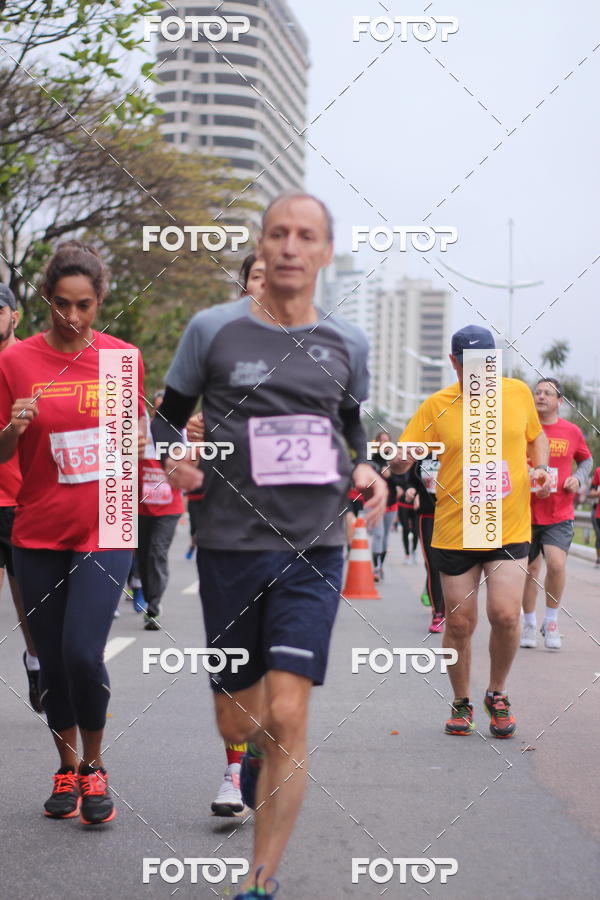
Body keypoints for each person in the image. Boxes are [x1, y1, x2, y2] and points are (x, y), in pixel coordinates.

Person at [153, 192, 386, 897]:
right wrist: (174, 460)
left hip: (313, 548)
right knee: (240, 715)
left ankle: (260, 880)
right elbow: (165, 419)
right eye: (278, 233)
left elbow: (350, 428)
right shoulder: (212, 331)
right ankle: (247, 754)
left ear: (323, 253)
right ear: (262, 245)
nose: (289, 246)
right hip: (228, 543)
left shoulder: (349, 343)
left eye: (304, 235)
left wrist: (368, 465)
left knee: (288, 711)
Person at [0, 242, 145, 824]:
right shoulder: (16, 363)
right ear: (45, 300)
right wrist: (13, 429)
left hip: (105, 522)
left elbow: (132, 440)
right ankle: (65, 767)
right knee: (54, 663)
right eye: (61, 305)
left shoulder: (119, 361)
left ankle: (95, 765)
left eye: (84, 305)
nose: (72, 318)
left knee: (84, 653)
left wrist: (139, 444)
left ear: (100, 301)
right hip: (36, 530)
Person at [393, 325, 550, 738]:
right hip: (454, 530)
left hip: (507, 525)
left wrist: (542, 470)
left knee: (504, 613)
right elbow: (401, 458)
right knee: (460, 623)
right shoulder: (436, 406)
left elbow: (539, 438)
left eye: (489, 366)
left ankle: (497, 693)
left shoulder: (517, 394)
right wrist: (399, 460)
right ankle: (461, 702)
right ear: (454, 363)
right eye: (472, 366)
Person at [520, 378, 592, 650]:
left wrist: (579, 478)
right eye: (537, 392)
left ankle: (550, 621)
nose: (540, 396)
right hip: (524, 512)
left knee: (557, 564)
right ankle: (528, 621)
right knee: (530, 569)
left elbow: (586, 459)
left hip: (559, 511)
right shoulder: (523, 429)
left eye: (547, 393)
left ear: (559, 401)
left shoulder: (571, 431)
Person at [0, 284, 42, 711]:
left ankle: (34, 659)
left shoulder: (30, 362)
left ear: (15, 316)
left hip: (18, 498)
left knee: (24, 602)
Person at [137, 390, 184, 630]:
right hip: (142, 509)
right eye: (158, 408)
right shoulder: (140, 435)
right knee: (143, 558)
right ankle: (148, 596)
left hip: (169, 508)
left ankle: (154, 605)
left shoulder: (181, 434)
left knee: (157, 552)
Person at [406, 455, 445, 632]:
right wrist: (412, 491)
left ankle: (456, 608)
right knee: (433, 564)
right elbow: (412, 479)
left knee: (455, 563)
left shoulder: (457, 446)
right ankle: (438, 613)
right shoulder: (423, 455)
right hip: (428, 516)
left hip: (454, 516)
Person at [368, 430, 401, 581]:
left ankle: (380, 567)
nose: (384, 443)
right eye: (381, 440)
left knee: (386, 536)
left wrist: (391, 476)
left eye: (386, 440)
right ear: (376, 442)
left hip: (391, 502)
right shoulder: (372, 458)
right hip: (377, 502)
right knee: (378, 534)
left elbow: (402, 481)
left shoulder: (394, 460)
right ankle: (376, 568)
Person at [396, 471, 419, 564]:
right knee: (405, 529)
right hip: (403, 503)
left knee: (415, 530)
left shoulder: (417, 465)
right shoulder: (401, 465)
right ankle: (407, 555)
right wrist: (398, 487)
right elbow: (394, 478)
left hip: (415, 503)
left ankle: (414, 550)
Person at [589, 466, 600, 567]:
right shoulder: (598, 471)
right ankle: (598, 559)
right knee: (599, 536)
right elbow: (591, 492)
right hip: (599, 513)